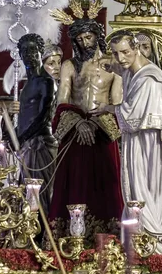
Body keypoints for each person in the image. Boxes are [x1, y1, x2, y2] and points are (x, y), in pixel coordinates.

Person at [92, 30, 162, 254]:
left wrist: (108, 108)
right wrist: (112, 68)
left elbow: (132, 116)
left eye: (125, 52)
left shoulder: (150, 79)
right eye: (116, 53)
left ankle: (154, 244)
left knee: (149, 192)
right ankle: (140, 239)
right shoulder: (134, 73)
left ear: (136, 49)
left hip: (153, 151)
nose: (121, 58)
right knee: (138, 191)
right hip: (140, 145)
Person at [49, 13, 123, 239]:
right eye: (80, 39)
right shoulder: (69, 66)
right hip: (75, 133)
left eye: (89, 37)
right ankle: (69, 237)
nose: (84, 43)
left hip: (102, 134)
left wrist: (96, 123)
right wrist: (79, 122)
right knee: (72, 186)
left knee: (107, 185)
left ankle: (108, 238)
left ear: (98, 37)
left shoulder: (113, 65)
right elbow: (62, 101)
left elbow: (117, 102)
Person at [17, 33, 57, 218]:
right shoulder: (27, 84)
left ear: (41, 52)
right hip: (26, 144)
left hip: (40, 144)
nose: (29, 55)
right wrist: (15, 133)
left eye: (33, 50)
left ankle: (44, 235)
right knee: (25, 190)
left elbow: (44, 116)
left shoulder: (46, 81)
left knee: (40, 192)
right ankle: (28, 233)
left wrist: (22, 136)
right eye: (24, 51)